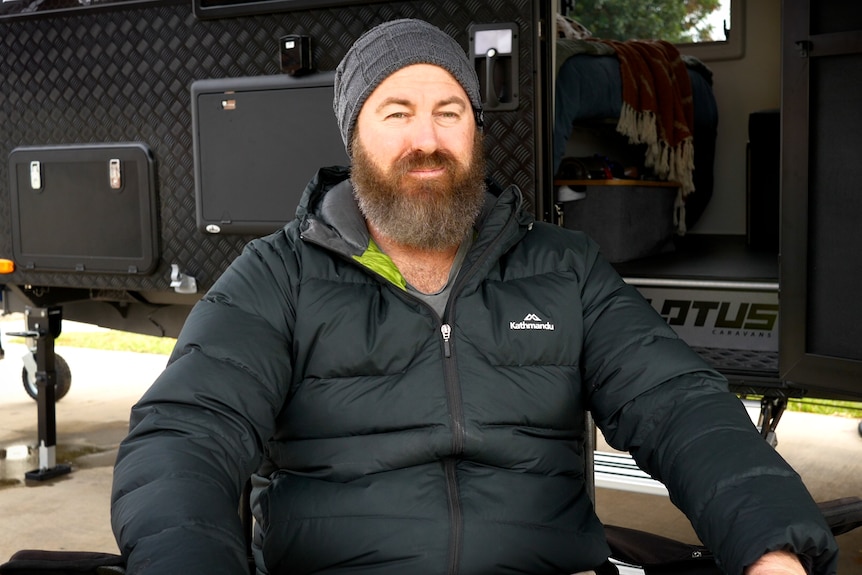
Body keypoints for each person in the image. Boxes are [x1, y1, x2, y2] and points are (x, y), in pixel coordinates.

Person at [111, 18, 838, 575]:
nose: (425, 139)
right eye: (396, 112)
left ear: (475, 132)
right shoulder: (277, 275)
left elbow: (682, 406)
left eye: (448, 111)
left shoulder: (564, 267)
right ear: (355, 138)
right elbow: (185, 434)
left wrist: (771, 543)